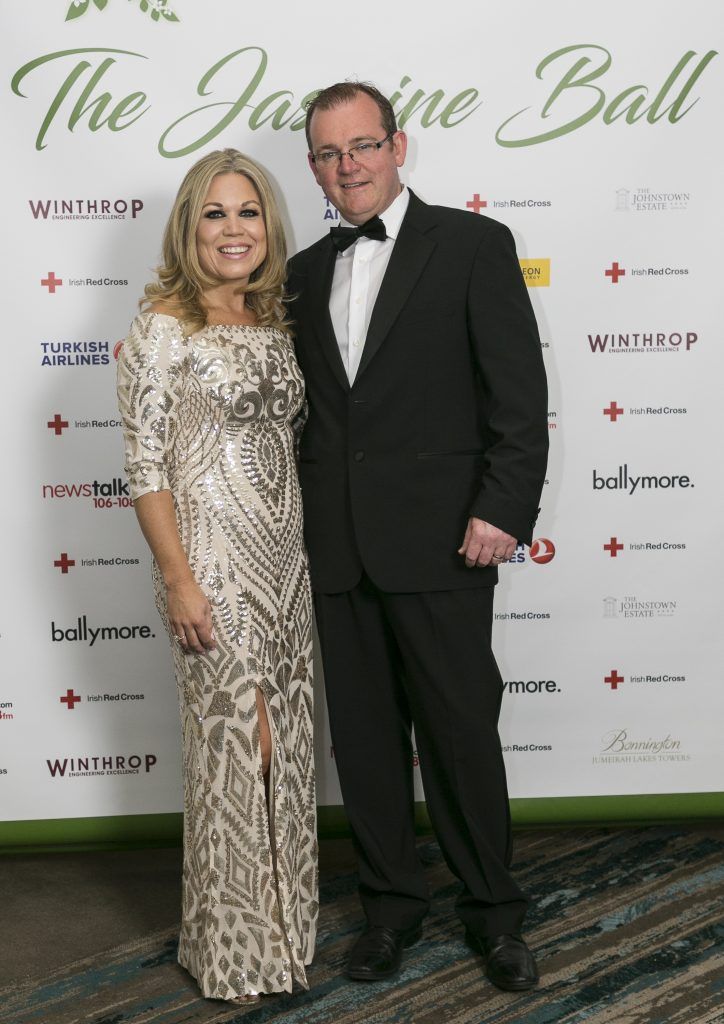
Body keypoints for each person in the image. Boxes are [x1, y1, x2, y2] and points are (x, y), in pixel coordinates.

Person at [286, 83, 548, 992]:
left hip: (445, 542)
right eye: (328, 152)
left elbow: (517, 395)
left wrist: (504, 508)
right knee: (362, 744)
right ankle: (391, 910)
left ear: (400, 146)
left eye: (362, 145)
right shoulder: (301, 271)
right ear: (313, 166)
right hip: (336, 549)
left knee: (462, 733)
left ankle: (496, 915)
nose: (347, 165)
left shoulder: (474, 245)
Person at [117, 149, 317, 1003]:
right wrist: (178, 579)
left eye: (248, 212)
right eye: (214, 214)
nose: (234, 230)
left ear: (268, 226)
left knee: (290, 751)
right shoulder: (163, 329)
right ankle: (235, 944)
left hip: (288, 567)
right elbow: (145, 465)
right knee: (241, 746)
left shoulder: (275, 324)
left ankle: (283, 930)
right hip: (212, 564)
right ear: (188, 227)